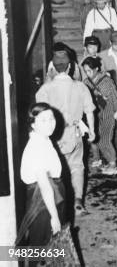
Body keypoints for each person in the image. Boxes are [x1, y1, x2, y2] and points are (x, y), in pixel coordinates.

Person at [36, 51, 96, 213]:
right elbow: (89, 111)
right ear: (70, 67)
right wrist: (92, 131)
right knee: (77, 167)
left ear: (53, 68)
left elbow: (39, 115)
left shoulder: (45, 89)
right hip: (74, 133)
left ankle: (58, 204)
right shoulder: (80, 86)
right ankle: (77, 201)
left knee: (55, 169)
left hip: (54, 136)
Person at [16, 103, 65, 251]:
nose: (50, 123)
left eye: (52, 118)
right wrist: (54, 217)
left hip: (49, 198)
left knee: (47, 249)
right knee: (43, 249)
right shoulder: (37, 147)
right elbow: (44, 186)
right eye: (43, 120)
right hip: (43, 203)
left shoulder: (43, 139)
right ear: (33, 124)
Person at [82, 56, 117, 175]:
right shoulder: (86, 82)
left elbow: (115, 98)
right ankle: (109, 162)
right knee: (99, 140)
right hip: (94, 116)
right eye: (85, 71)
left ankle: (113, 164)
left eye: (90, 70)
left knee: (105, 140)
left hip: (108, 114)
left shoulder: (107, 81)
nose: (88, 73)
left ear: (97, 68)